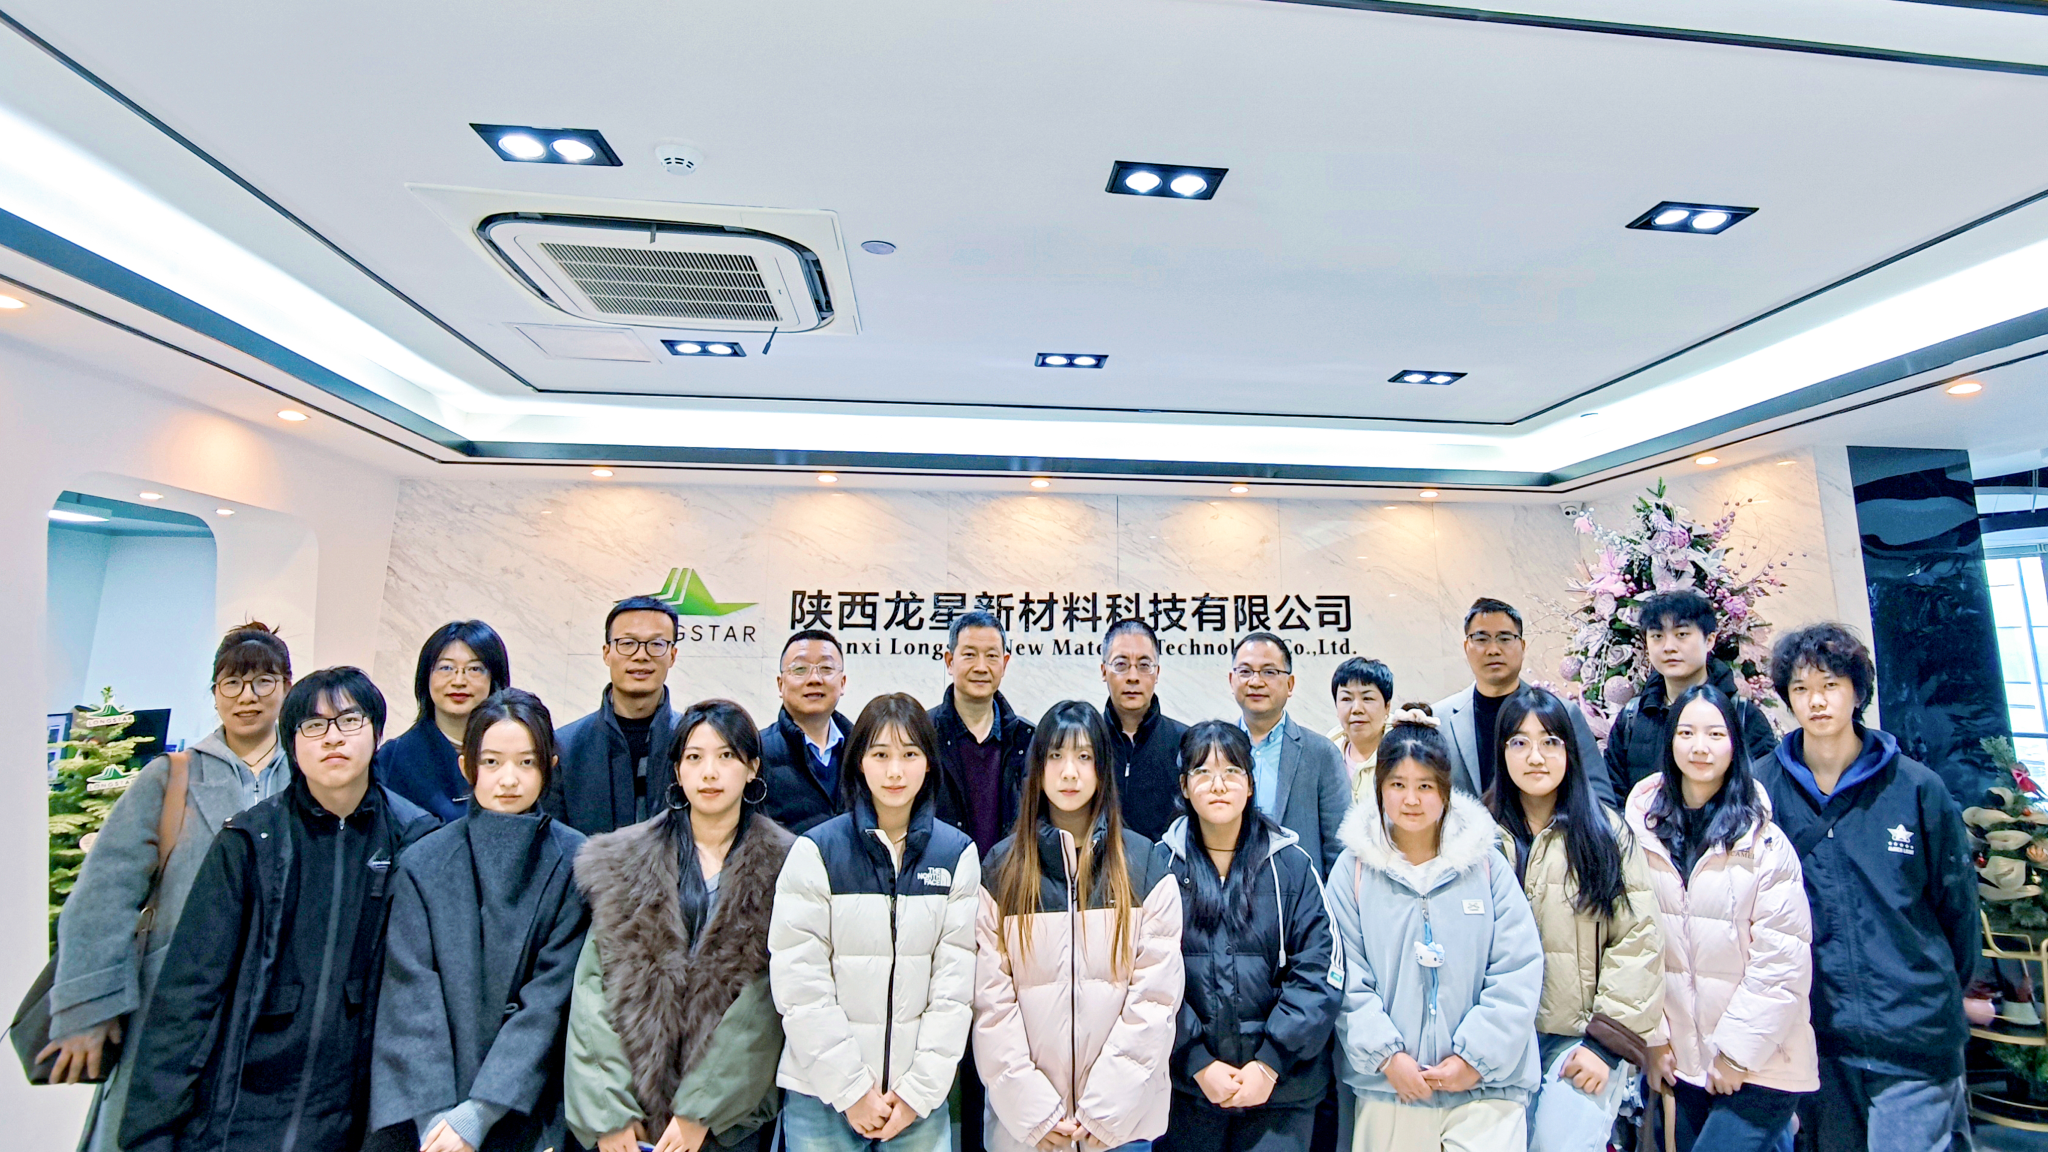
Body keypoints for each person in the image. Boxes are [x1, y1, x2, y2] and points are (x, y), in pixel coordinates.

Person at [120, 667, 440, 1152]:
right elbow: (189, 991)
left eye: (349, 720)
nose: (332, 737)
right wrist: (151, 1135)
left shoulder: (415, 839)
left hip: (357, 1112)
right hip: (243, 1108)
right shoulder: (250, 840)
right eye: (313, 725)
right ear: (292, 744)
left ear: (377, 733)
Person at [45, 622, 294, 1152]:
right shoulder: (171, 777)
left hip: (271, 1006)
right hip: (166, 1000)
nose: (247, 696)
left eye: (263, 681)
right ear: (215, 693)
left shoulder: (307, 779)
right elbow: (104, 894)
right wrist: (89, 1007)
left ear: (286, 688)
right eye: (232, 683)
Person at [1758, 624, 1977, 1152]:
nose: (1816, 701)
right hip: (1817, 1034)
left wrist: (1934, 991)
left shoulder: (1916, 786)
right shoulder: (1762, 788)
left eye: (1830, 685)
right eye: (1801, 688)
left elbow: (1958, 910)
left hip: (1913, 1032)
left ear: (1857, 692)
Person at [564, 699, 793, 1152]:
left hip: (728, 1121)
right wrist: (610, 1113)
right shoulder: (623, 861)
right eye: (694, 757)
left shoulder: (787, 867)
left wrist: (700, 1111)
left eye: (726, 756)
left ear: (752, 768)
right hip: (631, 1120)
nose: (709, 772)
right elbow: (593, 994)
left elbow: (764, 1009)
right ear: (677, 770)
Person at [370, 689, 591, 1152]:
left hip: (529, 1109)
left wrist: (479, 1113)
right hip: (431, 1113)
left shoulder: (577, 861)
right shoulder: (423, 861)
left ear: (550, 766)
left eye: (526, 763)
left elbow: (549, 1001)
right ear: (467, 766)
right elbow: (410, 998)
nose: (508, 779)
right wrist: (437, 1123)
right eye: (491, 762)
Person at [1327, 706, 1543, 1152]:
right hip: (1391, 1089)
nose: (1411, 799)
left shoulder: (1486, 863)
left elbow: (1518, 967)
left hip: (1488, 1090)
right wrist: (1387, 1056)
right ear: (1379, 788)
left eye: (1425, 786)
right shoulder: (1353, 869)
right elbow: (1344, 975)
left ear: (1445, 790)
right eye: (1397, 785)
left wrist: (1476, 1057)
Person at [770, 692, 979, 1152]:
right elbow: (799, 985)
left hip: (916, 1104)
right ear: (859, 763)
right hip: (821, 1097)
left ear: (929, 764)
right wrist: (851, 1091)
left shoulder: (956, 854)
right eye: (880, 755)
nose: (895, 771)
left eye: (910, 755)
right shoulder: (816, 851)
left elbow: (955, 988)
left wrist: (917, 1094)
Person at [973, 700, 1184, 1152]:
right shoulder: (1001, 869)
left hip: (1120, 1129)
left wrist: (1103, 1113)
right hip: (1027, 1131)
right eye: (1055, 756)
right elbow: (990, 1005)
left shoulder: (1146, 866)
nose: (1069, 772)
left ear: (1103, 769)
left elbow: (1156, 1001)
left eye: (1084, 757)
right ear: (1037, 768)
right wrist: (1034, 1113)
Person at [1627, 685, 1816, 1152]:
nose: (1700, 747)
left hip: (1761, 1062)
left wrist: (1735, 1054)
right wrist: (1653, 1039)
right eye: (1686, 732)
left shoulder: (1765, 843)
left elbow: (1782, 964)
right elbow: (1632, 945)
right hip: (1682, 1061)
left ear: (1734, 744)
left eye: (1715, 734)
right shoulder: (1640, 836)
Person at [1484, 687, 1664, 1152]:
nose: (1535, 756)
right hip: (1495, 1041)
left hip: (1580, 1041)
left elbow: (1638, 939)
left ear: (1570, 750)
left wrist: (1605, 1045)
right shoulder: (1476, 836)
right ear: (1501, 752)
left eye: (1550, 741)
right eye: (1519, 742)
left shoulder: (1605, 833)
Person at [1157, 721, 1339, 1152]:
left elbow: (1320, 970)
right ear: (1184, 787)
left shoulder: (1292, 866)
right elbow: (1145, 979)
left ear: (1251, 784)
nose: (1218, 785)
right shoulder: (1159, 867)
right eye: (1203, 772)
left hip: (1282, 1092)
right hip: (1186, 1092)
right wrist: (1197, 1062)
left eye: (1232, 771)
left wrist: (1270, 1063)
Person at [1602, 590, 1775, 803]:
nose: (1669, 647)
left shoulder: (1743, 716)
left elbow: (1764, 794)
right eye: (1657, 636)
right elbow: (1612, 796)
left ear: (1709, 640)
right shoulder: (1633, 717)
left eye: (1682, 634)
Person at [1434, 599, 1610, 808]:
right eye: (1481, 639)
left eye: (1505, 638)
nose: (1493, 650)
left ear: (1523, 646)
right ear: (1466, 647)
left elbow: (1600, 799)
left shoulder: (1564, 713)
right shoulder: (1439, 719)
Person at [547, 595, 682, 835]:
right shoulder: (565, 747)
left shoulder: (692, 743)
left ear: (672, 655)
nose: (641, 655)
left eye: (656, 644)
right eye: (627, 643)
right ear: (607, 653)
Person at [1229, 631, 1351, 874]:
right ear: (1232, 680)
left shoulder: (1321, 754)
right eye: (1245, 671)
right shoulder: (1214, 750)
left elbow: (1339, 848)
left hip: (1299, 894)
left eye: (1269, 672)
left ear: (1290, 684)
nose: (1256, 682)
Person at [378, 620, 514, 822]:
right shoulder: (392, 758)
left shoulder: (516, 753)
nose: (459, 681)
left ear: (494, 679)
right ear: (426, 676)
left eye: (475, 669)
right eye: (446, 668)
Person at [931, 609, 1036, 857]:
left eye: (991, 656)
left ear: (1005, 663)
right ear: (949, 661)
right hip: (940, 873)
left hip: (1010, 875)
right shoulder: (924, 734)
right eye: (969, 655)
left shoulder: (1028, 739)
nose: (981, 667)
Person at [757, 629, 854, 834]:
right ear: (780, 684)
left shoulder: (863, 749)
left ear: (842, 683)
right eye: (800, 669)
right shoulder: (756, 751)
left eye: (826, 668)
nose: (814, 679)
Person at [1102, 618, 1189, 841]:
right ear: (1104, 671)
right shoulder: (1087, 740)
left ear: (1157, 673)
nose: (1133, 677)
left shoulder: (1185, 742)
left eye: (1144, 666)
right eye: (1121, 665)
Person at [1326, 658, 1394, 801]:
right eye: (1346, 699)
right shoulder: (1326, 755)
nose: (1357, 709)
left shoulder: (1405, 753)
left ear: (1387, 707)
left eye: (1367, 698)